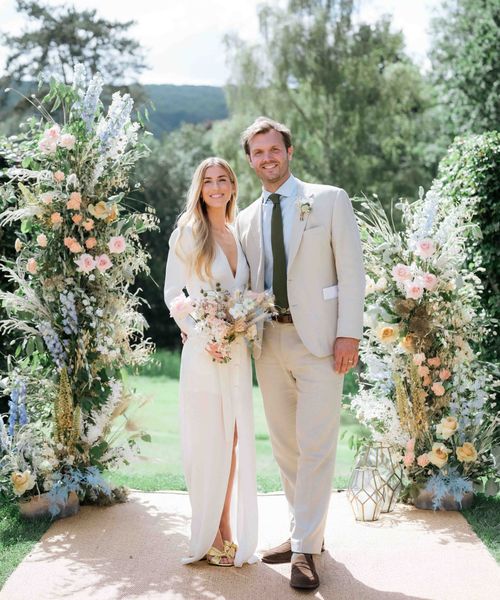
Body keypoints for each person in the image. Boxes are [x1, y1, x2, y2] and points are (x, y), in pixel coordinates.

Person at [236, 117, 365, 589]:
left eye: (274, 149)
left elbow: (352, 272)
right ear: (250, 160)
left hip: (322, 344)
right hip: (268, 343)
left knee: (316, 445)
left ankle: (305, 550)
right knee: (287, 448)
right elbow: (246, 284)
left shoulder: (329, 200)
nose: (267, 158)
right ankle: (302, 535)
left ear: (289, 151)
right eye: (258, 152)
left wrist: (348, 334)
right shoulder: (246, 217)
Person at [164, 157, 258, 567]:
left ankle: (228, 528)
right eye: (208, 181)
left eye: (223, 180)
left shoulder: (239, 232)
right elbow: (173, 293)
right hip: (205, 350)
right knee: (209, 441)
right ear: (199, 189)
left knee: (233, 440)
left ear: (233, 187)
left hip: (236, 351)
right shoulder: (188, 232)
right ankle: (211, 532)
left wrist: (244, 321)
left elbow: (249, 292)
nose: (216, 187)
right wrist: (198, 329)